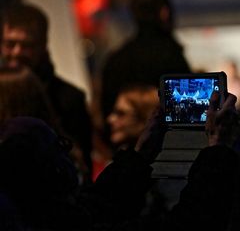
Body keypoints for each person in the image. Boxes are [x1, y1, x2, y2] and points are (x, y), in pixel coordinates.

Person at [0, 90, 238, 230]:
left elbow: (100, 204)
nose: (68, 150)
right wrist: (218, 148)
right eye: (58, 145)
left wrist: (140, 155)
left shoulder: (45, 217)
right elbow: (191, 225)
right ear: (51, 170)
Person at [0, 3, 93, 183]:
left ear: (43, 45)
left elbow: (82, 167)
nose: (17, 52)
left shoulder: (69, 98)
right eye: (10, 44)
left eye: (26, 45)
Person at [100, 0, 192, 123]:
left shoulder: (116, 59)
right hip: (167, 140)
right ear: (164, 12)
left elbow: (107, 115)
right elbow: (186, 112)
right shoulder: (171, 55)